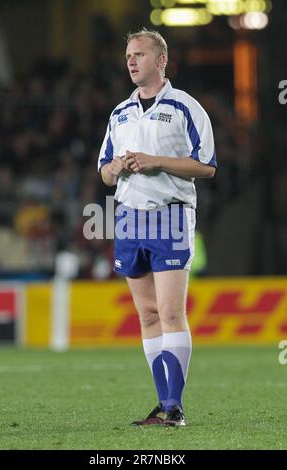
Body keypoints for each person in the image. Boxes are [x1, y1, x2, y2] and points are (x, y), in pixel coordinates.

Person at [98, 29, 217, 427]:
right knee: (147, 315)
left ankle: (174, 407)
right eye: (128, 55)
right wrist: (114, 169)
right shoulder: (120, 113)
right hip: (129, 219)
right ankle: (164, 403)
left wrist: (156, 161)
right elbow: (105, 173)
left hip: (170, 216)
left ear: (161, 60)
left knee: (170, 311)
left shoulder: (185, 107)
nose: (131, 61)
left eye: (139, 54)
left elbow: (207, 166)